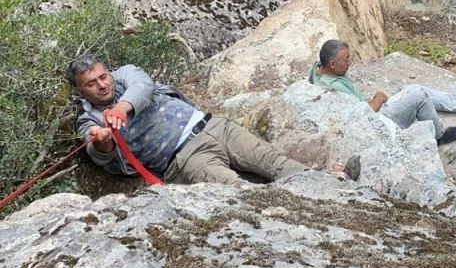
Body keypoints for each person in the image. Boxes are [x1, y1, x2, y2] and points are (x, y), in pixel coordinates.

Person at [70, 53, 311, 185]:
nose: (102, 85)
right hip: (186, 159)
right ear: (80, 91)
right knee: (239, 192)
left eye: (103, 76)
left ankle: (328, 190)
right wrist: (103, 142)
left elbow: (142, 85)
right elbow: (98, 153)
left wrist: (122, 108)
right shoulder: (90, 119)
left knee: (277, 163)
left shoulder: (124, 75)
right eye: (91, 83)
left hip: (214, 127)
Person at [309, 39, 456, 145]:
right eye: (346, 60)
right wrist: (377, 99)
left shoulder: (318, 69)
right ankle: (439, 134)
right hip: (373, 122)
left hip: (368, 110)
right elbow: (362, 114)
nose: (349, 62)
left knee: (411, 90)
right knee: (417, 95)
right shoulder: (335, 88)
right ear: (332, 64)